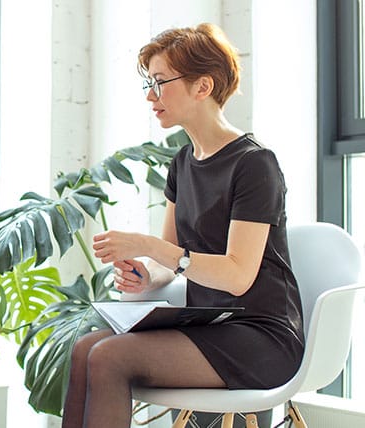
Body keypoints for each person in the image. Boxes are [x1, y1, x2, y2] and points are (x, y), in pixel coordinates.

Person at [61, 23, 304, 428]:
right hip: (211, 325)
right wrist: (147, 274)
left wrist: (150, 246)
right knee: (86, 347)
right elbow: (171, 258)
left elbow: (239, 275)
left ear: (202, 86)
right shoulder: (183, 162)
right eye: (148, 84)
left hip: (263, 336)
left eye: (159, 82)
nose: (150, 96)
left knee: (109, 355)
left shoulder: (254, 164)